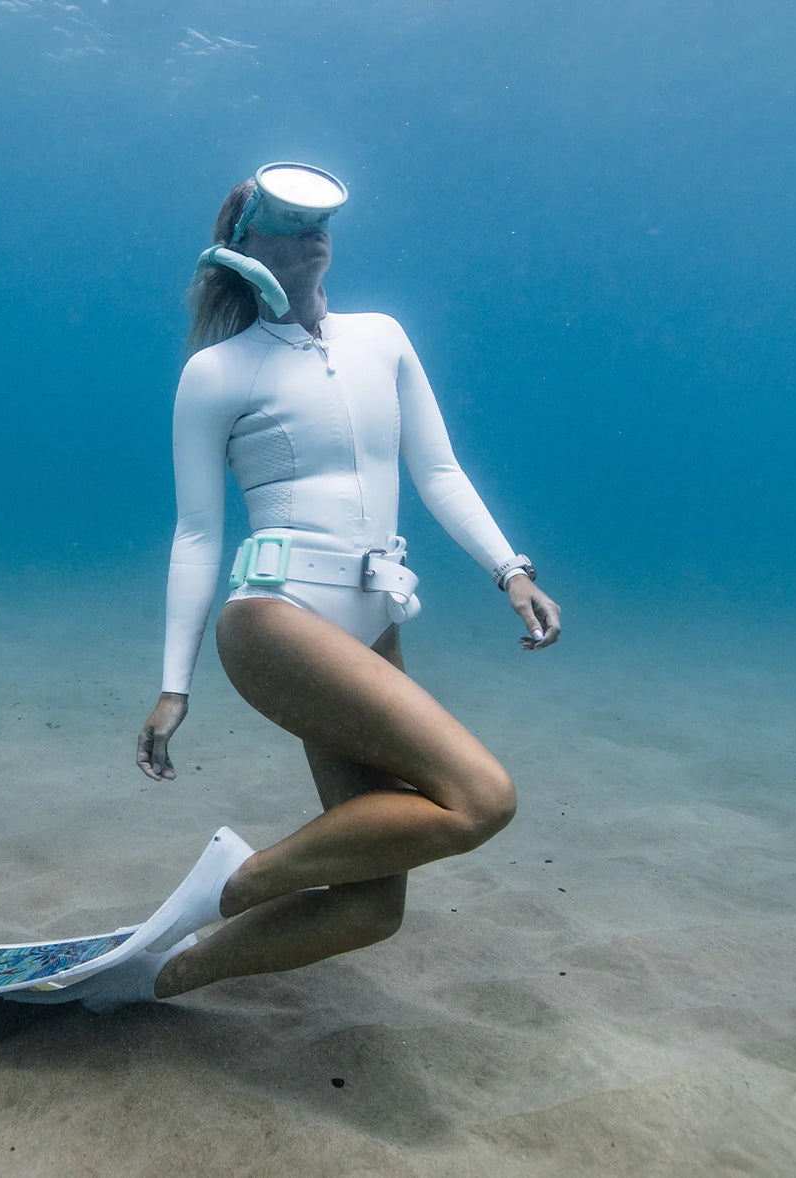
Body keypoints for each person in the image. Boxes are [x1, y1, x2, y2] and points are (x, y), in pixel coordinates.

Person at [128, 163, 561, 1007]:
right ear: (239, 247)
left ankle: (158, 980)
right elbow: (196, 532)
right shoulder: (216, 372)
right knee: (481, 798)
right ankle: (230, 885)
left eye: (318, 219)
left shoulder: (384, 337)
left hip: (375, 620)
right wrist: (173, 686)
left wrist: (511, 569)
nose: (310, 232)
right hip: (276, 620)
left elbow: (437, 469)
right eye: (285, 221)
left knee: (369, 908)